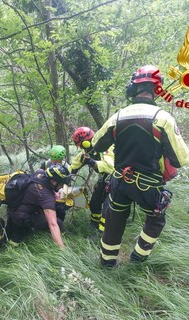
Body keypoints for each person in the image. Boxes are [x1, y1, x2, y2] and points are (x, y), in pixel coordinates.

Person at [92, 65, 189, 267]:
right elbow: (181, 159)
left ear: (133, 88)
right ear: (157, 89)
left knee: (114, 221)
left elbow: (96, 144)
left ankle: (107, 263)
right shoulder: (163, 118)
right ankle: (137, 259)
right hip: (149, 185)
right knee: (156, 220)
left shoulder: (117, 117)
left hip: (119, 183)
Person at [7, 164, 72, 248]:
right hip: (21, 217)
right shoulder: (46, 196)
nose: (62, 187)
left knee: (17, 232)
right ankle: (60, 242)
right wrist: (62, 249)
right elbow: (52, 224)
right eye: (61, 184)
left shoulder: (40, 173)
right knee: (58, 223)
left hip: (15, 208)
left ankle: (12, 243)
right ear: (53, 181)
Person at [71, 127, 114, 231]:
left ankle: (103, 232)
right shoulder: (87, 151)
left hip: (117, 179)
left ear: (86, 141)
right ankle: (94, 224)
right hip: (104, 179)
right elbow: (74, 165)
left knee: (107, 208)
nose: (82, 148)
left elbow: (111, 167)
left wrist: (91, 162)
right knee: (94, 203)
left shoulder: (105, 147)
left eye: (82, 145)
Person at [40, 145, 72, 222]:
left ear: (61, 158)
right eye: (52, 159)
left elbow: (68, 183)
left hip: (60, 190)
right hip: (47, 188)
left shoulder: (67, 167)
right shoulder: (46, 164)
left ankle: (59, 223)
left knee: (60, 209)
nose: (53, 161)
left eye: (56, 159)